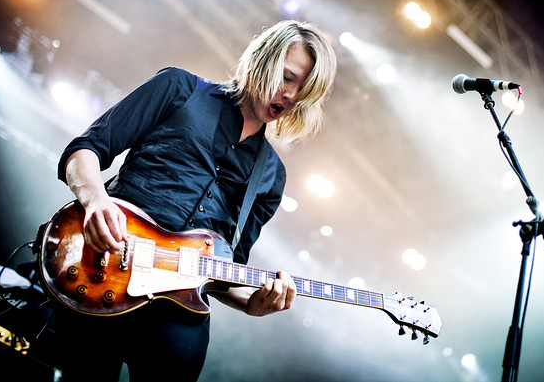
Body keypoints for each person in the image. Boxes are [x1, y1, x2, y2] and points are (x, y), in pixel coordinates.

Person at [51, 20, 338, 381]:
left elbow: (224, 273)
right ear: (261, 59)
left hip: (177, 317)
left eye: (303, 89)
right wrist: (95, 201)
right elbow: (84, 150)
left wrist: (253, 303)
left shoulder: (271, 176)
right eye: (287, 77)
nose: (291, 95)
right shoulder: (179, 88)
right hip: (102, 271)